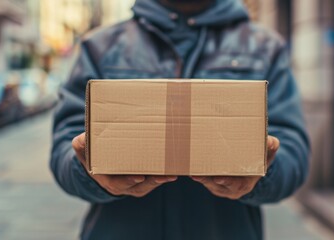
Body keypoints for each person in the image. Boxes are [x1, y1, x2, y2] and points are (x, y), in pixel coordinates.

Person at [50, 0, 310, 239]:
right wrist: (89, 172)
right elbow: (65, 146)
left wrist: (260, 173)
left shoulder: (264, 46)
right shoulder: (100, 46)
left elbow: (292, 153)